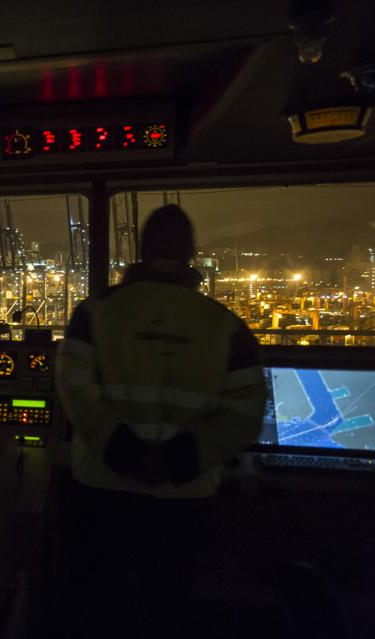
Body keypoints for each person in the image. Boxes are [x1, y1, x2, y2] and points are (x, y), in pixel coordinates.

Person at [54, 205, 267, 638]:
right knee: (168, 609)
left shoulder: (95, 313)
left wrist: (119, 450)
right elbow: (246, 410)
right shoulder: (225, 325)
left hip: (102, 486)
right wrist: (185, 457)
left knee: (92, 606)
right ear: (191, 252)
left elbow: (74, 388)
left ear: (141, 248)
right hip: (183, 494)